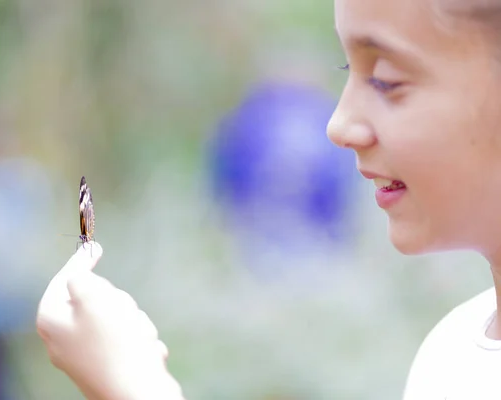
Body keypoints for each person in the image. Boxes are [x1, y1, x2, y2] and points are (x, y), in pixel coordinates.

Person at [37, 0, 501, 398]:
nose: (338, 125)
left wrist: (133, 386)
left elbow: (225, 185)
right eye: (346, 71)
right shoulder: (448, 350)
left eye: (385, 80)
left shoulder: (247, 123)